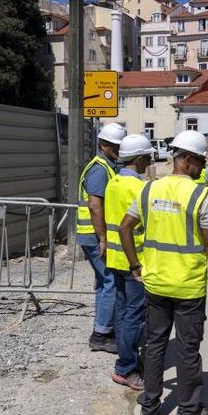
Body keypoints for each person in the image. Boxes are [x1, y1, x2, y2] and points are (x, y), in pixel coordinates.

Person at [119, 129, 208, 415]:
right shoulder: (199, 195)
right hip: (188, 287)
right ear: (188, 161)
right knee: (187, 348)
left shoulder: (148, 190)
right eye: (202, 163)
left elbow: (125, 227)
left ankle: (150, 408)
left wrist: (135, 265)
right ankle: (189, 412)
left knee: (154, 345)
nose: (204, 169)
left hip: (155, 283)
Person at [104, 134, 155, 391]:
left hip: (115, 257)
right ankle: (126, 368)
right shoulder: (139, 188)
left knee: (123, 312)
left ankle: (125, 361)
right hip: (134, 260)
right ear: (139, 158)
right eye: (147, 157)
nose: (148, 162)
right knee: (133, 315)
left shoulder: (113, 183)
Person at [78, 122, 127, 353]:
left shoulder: (107, 166)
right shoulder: (99, 169)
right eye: (114, 145)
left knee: (102, 283)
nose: (117, 148)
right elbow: (95, 206)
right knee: (110, 282)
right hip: (93, 235)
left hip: (93, 235)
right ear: (102, 145)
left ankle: (102, 328)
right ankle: (101, 334)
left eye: (119, 144)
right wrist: (103, 238)